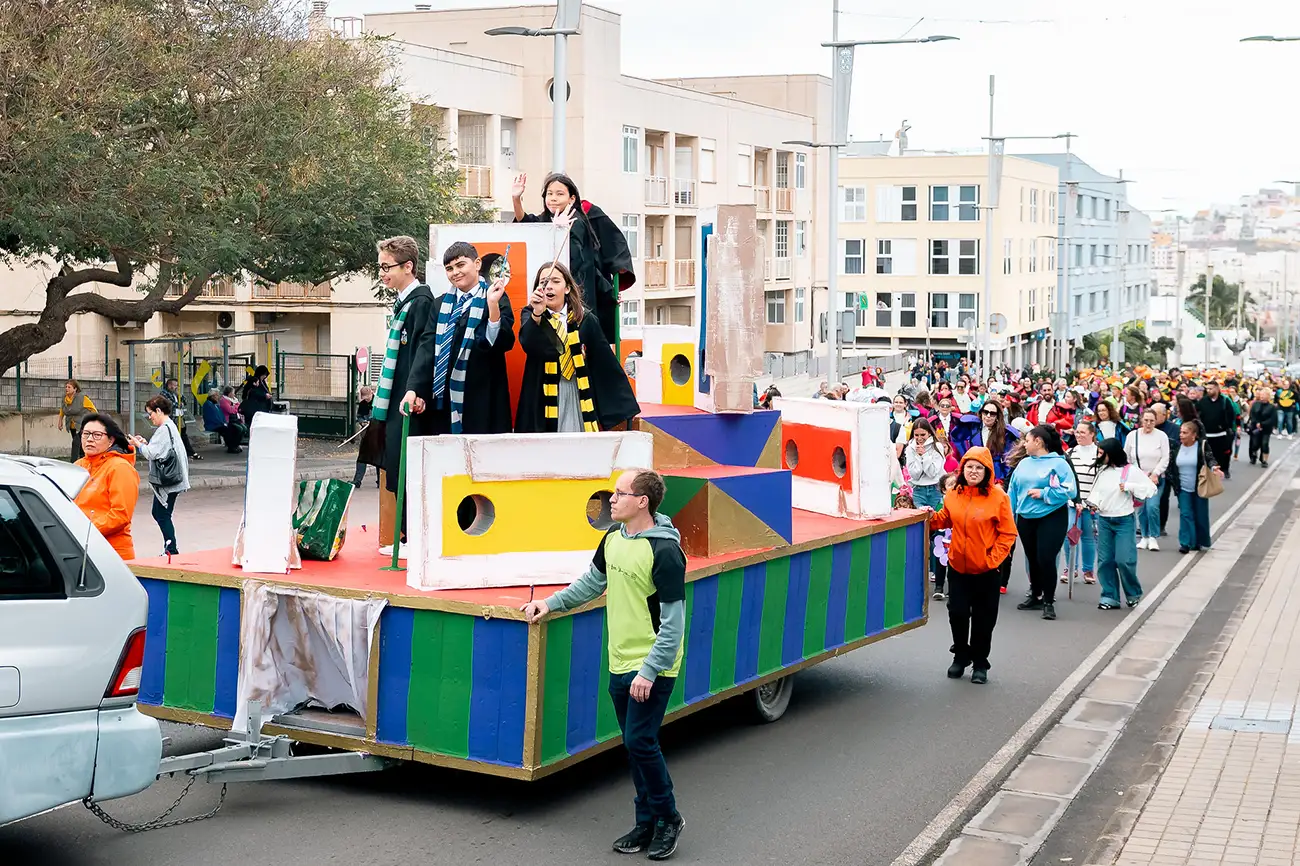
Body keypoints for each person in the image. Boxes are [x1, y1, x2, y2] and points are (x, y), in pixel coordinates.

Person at [521, 470, 687, 860]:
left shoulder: (664, 551)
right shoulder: (613, 539)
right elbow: (591, 584)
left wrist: (649, 670)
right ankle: (646, 823)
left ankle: (668, 818)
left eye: (620, 493)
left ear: (642, 501)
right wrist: (550, 603)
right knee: (635, 746)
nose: (611, 499)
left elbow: (674, 623)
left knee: (640, 742)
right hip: (619, 660)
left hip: (653, 666)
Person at [927, 447, 1018, 685]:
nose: (973, 471)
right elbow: (943, 519)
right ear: (962, 469)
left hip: (987, 571)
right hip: (958, 567)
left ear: (987, 471)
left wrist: (992, 559)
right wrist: (927, 517)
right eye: (969, 467)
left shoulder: (998, 497)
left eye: (979, 468)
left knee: (983, 619)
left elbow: (1008, 534)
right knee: (957, 613)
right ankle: (960, 655)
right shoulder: (953, 495)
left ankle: (980, 663)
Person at [515, 262, 640, 433]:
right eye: (543, 282)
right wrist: (537, 314)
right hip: (542, 396)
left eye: (555, 281)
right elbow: (529, 344)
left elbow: (605, 364)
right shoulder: (531, 315)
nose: (549, 287)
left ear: (567, 288)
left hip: (577, 391)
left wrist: (624, 406)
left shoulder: (585, 319)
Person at [511, 172, 635, 343]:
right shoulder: (549, 219)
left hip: (574, 295)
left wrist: (561, 232)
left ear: (571, 198)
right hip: (552, 296)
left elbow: (577, 262)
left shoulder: (576, 221)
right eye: (549, 194)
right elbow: (526, 224)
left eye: (559, 194)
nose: (553, 198)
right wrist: (516, 199)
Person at [1006, 425, 1077, 621]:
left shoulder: (1059, 463)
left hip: (1051, 516)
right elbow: (1013, 489)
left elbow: (1070, 490)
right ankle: (1035, 595)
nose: (1024, 444)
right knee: (1032, 557)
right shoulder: (1024, 463)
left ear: (1038, 442)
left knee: (1046, 558)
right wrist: (1008, 514)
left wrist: (1044, 493)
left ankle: (1048, 601)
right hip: (1026, 517)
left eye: (1027, 440)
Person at [1087, 438, 1156, 610]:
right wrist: (1093, 504)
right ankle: (1109, 596)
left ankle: (1133, 593)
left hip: (1124, 520)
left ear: (1112, 453)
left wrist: (1129, 486)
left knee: (1125, 560)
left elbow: (1150, 489)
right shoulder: (1102, 471)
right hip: (1104, 520)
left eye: (1102, 453)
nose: (1099, 456)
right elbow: (1095, 493)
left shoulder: (1130, 470)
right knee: (1105, 561)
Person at [73, 413, 140, 560]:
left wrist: (84, 530)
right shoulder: (77, 467)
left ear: (111, 440)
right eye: (86, 434)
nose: (89, 439)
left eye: (97, 435)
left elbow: (120, 515)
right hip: (81, 548)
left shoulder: (120, 468)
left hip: (112, 552)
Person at [130, 395, 191, 555]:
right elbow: (157, 450)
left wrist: (138, 445)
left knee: (162, 514)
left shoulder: (164, 429)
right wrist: (144, 443)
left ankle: (171, 549)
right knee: (160, 513)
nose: (150, 417)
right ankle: (170, 547)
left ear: (158, 410)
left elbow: (151, 454)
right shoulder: (169, 427)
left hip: (169, 480)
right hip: (174, 478)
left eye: (150, 413)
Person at [1170, 419, 1222, 554]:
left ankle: (1198, 541)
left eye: (1185, 433)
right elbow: (1171, 465)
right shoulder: (1176, 447)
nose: (1181, 435)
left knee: (1200, 515)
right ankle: (1186, 543)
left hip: (1200, 486)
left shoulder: (1201, 446)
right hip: (1182, 488)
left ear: (1194, 435)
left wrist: (1214, 467)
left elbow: (1209, 458)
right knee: (1185, 514)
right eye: (1180, 432)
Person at [1124, 409, 1170, 550]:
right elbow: (1127, 456)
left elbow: (1165, 457)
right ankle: (1144, 536)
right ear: (1141, 420)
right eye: (1146, 420)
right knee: (1142, 509)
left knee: (1153, 506)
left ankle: (1153, 536)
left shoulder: (1162, 436)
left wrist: (1156, 473)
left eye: (1151, 421)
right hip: (1139, 477)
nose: (1148, 424)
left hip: (1155, 477)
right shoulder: (1133, 436)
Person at [1064, 419, 1100, 586]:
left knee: (1088, 537)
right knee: (1069, 535)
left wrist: (1095, 502)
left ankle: (1088, 570)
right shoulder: (1070, 452)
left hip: (1091, 505)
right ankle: (1070, 568)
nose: (1078, 435)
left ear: (1092, 434)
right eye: (1077, 432)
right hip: (1072, 503)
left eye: (1082, 432)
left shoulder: (1099, 454)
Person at [1195, 381, 1237, 479]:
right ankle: (1210, 471)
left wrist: (1228, 427)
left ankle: (1225, 469)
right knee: (1209, 454)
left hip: (1221, 433)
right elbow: (1197, 414)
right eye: (1207, 389)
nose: (1208, 391)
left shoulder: (1225, 401)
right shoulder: (1203, 401)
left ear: (1217, 389)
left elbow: (1231, 415)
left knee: (1224, 453)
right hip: (1207, 434)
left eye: (1211, 388)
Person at [1151, 402, 1179, 537]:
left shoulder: (1174, 429)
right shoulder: (1147, 428)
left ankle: (1161, 525)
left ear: (1164, 415)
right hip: (1148, 468)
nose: (1153, 418)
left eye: (1156, 415)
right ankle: (1148, 525)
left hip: (1166, 470)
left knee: (1162, 499)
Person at [931, 471, 959, 601]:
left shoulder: (961, 502)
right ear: (943, 490)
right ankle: (939, 587)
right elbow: (936, 519)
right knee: (940, 562)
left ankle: (954, 589)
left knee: (955, 564)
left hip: (956, 538)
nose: (954, 487)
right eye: (950, 484)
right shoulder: (939, 504)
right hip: (941, 538)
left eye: (956, 484)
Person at [58, 379, 97, 461]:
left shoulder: (82, 398)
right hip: (71, 424)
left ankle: (73, 462)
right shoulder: (64, 399)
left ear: (75, 389)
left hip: (82, 424)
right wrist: (60, 421)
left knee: (76, 442)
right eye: (66, 387)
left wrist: (95, 422)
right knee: (80, 444)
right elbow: (62, 410)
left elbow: (93, 409)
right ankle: (84, 459)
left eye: (69, 387)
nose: (66, 389)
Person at [202, 388, 242, 453]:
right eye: (217, 395)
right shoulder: (208, 404)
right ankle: (231, 448)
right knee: (227, 430)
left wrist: (224, 422)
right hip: (213, 425)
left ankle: (235, 446)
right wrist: (223, 423)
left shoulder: (216, 405)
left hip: (220, 424)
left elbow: (221, 415)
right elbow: (212, 417)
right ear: (212, 396)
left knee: (235, 428)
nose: (218, 397)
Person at [352, 385, 377, 488]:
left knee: (378, 458)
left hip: (376, 434)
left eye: (368, 397)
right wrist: (363, 422)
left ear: (371, 393)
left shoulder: (378, 403)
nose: (366, 399)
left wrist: (373, 422)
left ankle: (381, 481)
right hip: (366, 434)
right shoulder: (362, 404)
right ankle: (357, 480)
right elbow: (359, 416)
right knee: (362, 457)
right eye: (364, 398)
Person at [1247, 385, 1278, 468]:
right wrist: (1256, 423)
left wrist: (1262, 424)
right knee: (1255, 444)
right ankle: (1253, 455)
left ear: (1268, 396)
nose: (1262, 397)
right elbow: (1252, 415)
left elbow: (1272, 419)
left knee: (1264, 443)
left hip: (1266, 428)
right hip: (1256, 427)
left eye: (1264, 395)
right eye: (1261, 395)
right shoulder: (1256, 404)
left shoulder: (1271, 407)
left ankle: (1264, 460)